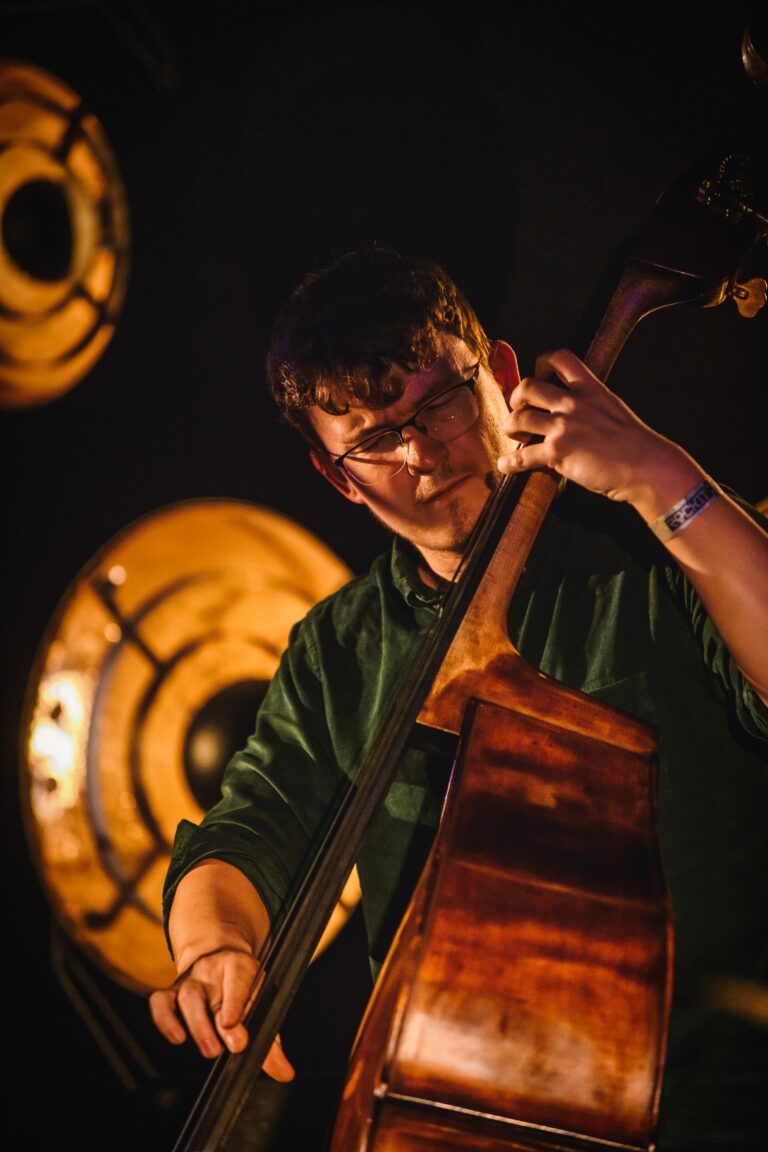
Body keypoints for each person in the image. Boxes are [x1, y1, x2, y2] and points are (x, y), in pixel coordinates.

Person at [150, 248, 768, 1149]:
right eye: (371, 441)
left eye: (436, 401)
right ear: (338, 478)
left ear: (503, 377)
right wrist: (214, 949)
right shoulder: (338, 650)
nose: (420, 453)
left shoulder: (658, 547)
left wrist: (660, 476)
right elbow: (251, 827)